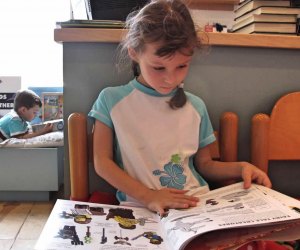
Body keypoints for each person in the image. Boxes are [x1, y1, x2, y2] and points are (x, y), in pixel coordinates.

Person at [88, 0, 271, 216]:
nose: (170, 79)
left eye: (182, 66)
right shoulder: (111, 100)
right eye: (158, 67)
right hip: (141, 208)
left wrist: (241, 167)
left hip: (197, 204)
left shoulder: (196, 106)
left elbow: (205, 165)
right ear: (134, 53)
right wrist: (149, 196)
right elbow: (102, 163)